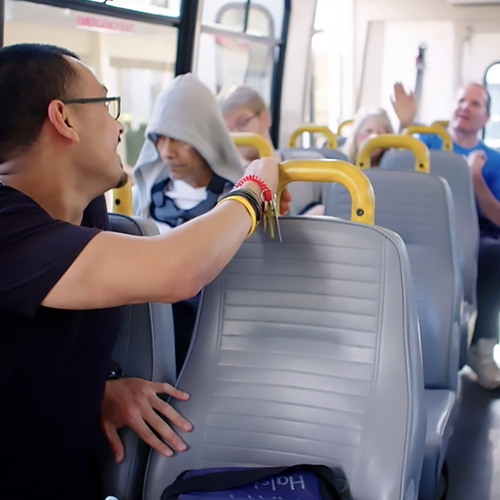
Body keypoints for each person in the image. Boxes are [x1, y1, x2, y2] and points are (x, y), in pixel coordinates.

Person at [0, 43, 289, 500]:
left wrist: (97, 389)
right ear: (64, 118)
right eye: (106, 104)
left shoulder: (86, 209)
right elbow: (178, 270)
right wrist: (254, 190)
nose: (119, 126)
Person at [132, 74, 244, 370]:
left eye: (179, 139)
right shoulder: (140, 200)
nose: (167, 151)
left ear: (204, 136)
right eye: (159, 139)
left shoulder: (239, 203)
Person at [394, 81, 500, 389]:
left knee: (495, 253)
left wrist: (474, 179)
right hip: (419, 228)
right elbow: (397, 170)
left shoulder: (491, 159)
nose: (465, 107)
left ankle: (482, 344)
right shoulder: (424, 142)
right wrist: (405, 123)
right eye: (461, 100)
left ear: (486, 117)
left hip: (471, 236)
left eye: (475, 103)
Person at [217, 84, 325, 216]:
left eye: (242, 122)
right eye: (227, 130)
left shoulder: (312, 165)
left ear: (264, 118)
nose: (236, 134)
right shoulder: (227, 182)